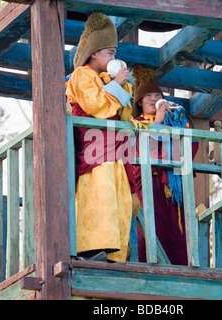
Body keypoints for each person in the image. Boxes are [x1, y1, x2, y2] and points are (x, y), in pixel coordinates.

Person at [66, 11, 136, 263]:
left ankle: (114, 253)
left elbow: (124, 114)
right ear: (94, 53)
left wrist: (124, 86)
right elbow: (96, 106)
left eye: (115, 54)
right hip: (94, 151)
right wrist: (116, 85)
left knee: (118, 199)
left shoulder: (106, 77)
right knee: (98, 196)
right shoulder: (80, 75)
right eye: (110, 53)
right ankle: (90, 247)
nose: (113, 58)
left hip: (114, 150)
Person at [131, 65, 198, 266]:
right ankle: (147, 266)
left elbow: (190, 148)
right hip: (149, 182)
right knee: (151, 228)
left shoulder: (173, 121)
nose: (153, 99)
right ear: (139, 102)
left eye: (157, 95)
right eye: (148, 96)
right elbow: (139, 152)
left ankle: (179, 269)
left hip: (174, 185)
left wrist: (178, 122)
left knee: (177, 230)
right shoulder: (134, 123)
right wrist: (157, 123)